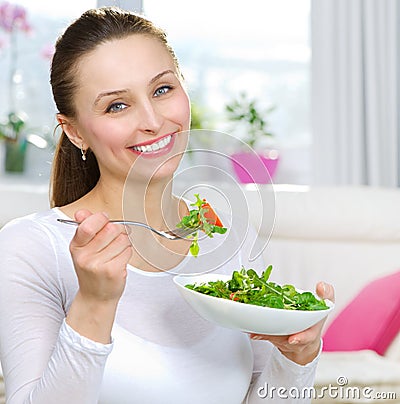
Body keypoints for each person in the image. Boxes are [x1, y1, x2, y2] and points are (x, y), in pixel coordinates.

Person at [0, 6, 334, 404]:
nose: (153, 121)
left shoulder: (222, 236)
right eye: (117, 106)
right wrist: (94, 304)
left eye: (162, 90)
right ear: (74, 131)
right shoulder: (30, 249)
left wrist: (298, 358)